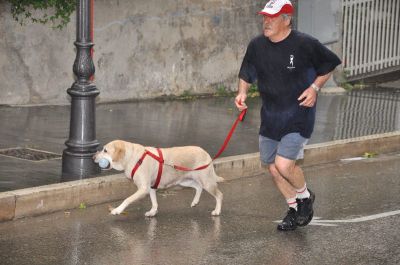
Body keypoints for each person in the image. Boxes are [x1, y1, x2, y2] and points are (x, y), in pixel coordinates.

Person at [235, 0, 341, 231]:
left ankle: (304, 198)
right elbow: (246, 71)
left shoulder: (304, 44)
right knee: (273, 168)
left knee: (284, 165)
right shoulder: (257, 46)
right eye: (265, 17)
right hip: (271, 116)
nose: (266, 21)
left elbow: (329, 64)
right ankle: (294, 208)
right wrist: (242, 93)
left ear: (287, 19)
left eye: (272, 17)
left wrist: (314, 88)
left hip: (298, 114)